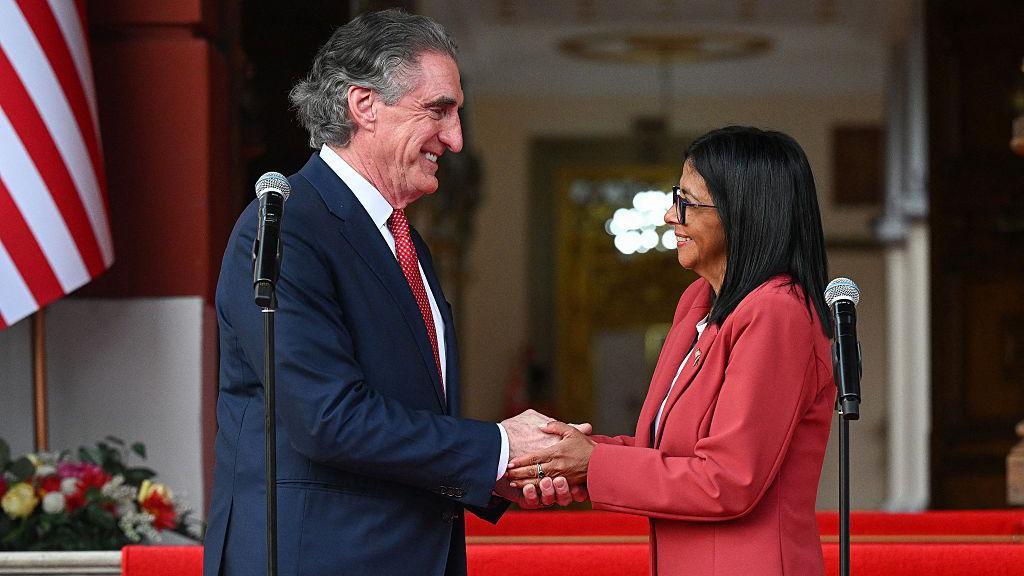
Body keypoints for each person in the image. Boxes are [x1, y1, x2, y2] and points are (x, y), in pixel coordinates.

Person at [203, 10, 581, 576]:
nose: (454, 139)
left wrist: (498, 474)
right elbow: (328, 417)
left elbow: (406, 413)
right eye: (439, 111)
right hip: (316, 560)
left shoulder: (398, 234)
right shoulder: (285, 225)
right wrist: (498, 447)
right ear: (364, 105)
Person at [507, 126, 837, 575]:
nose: (669, 216)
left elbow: (727, 481)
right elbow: (660, 453)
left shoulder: (778, 311)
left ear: (743, 213)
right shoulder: (698, 302)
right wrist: (569, 455)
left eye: (687, 202)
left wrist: (593, 463)